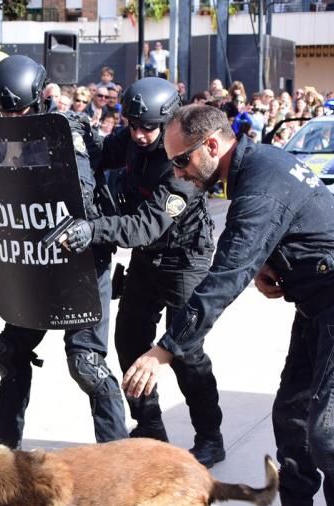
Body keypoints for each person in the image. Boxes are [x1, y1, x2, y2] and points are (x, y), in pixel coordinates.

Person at [123, 104, 334, 506]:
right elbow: (300, 219)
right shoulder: (256, 166)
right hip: (322, 302)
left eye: (181, 162)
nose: (177, 174)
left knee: (333, 435)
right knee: (291, 418)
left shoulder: (260, 175)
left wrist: (166, 349)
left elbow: (224, 273)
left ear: (211, 146)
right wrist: (277, 263)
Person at [59, 77, 224, 467]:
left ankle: (210, 436)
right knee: (130, 342)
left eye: (148, 127)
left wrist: (93, 229)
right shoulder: (133, 138)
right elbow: (101, 154)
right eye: (132, 124)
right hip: (148, 261)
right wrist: (76, 130)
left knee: (186, 351)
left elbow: (144, 226)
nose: (139, 134)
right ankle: (149, 427)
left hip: (184, 259)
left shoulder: (183, 166)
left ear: (169, 122)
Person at [0, 55, 130, 449]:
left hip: (82, 260)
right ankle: (3, 449)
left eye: (22, 111)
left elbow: (79, 189)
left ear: (40, 99)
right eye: (5, 112)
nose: (14, 119)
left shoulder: (70, 131)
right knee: (11, 351)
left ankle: (118, 458)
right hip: (34, 261)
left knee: (87, 364)